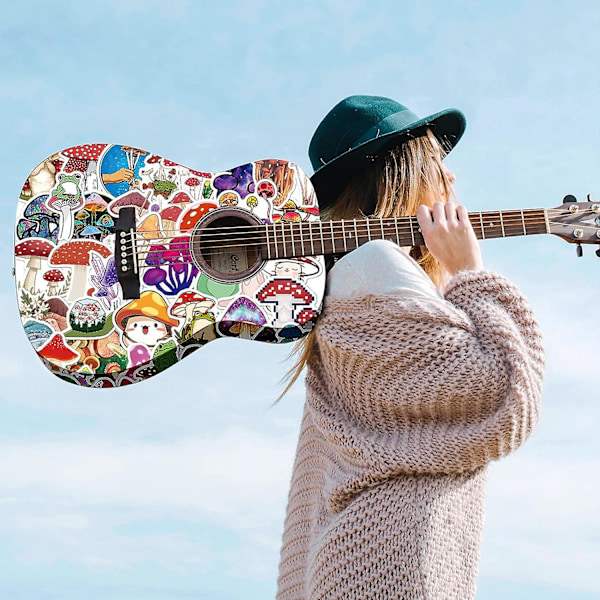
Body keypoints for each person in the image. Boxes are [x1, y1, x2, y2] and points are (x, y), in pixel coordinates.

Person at [276, 95, 544, 599]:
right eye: (439, 163)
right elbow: (503, 393)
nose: (453, 180)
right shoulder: (377, 263)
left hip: (361, 557)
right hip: (391, 560)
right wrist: (470, 272)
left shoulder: (343, 280)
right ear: (406, 171)